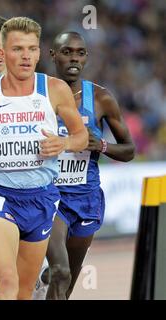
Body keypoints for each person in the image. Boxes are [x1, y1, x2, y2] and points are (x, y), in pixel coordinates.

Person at [0, 17, 88, 300]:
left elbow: (81, 137)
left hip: (41, 197)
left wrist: (63, 142)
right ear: (2, 53)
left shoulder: (54, 89)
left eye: (32, 49)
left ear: (40, 52)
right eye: (18, 49)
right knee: (7, 282)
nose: (26, 56)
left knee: (24, 292)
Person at [45, 31, 135, 300]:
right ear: (53, 55)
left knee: (67, 282)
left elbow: (129, 150)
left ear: (86, 57)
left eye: (80, 53)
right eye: (67, 52)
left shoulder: (100, 99)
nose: (74, 58)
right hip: (51, 197)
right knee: (60, 271)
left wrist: (102, 146)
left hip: (86, 199)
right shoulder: (38, 95)